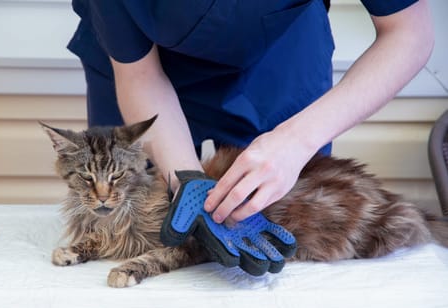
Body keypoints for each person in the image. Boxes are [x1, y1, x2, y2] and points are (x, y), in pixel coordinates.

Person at [67, 0, 434, 225]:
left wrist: (295, 141)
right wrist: (188, 187)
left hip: (276, 56)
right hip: (140, 64)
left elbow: (409, 34)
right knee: (133, 228)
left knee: (282, 227)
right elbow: (140, 76)